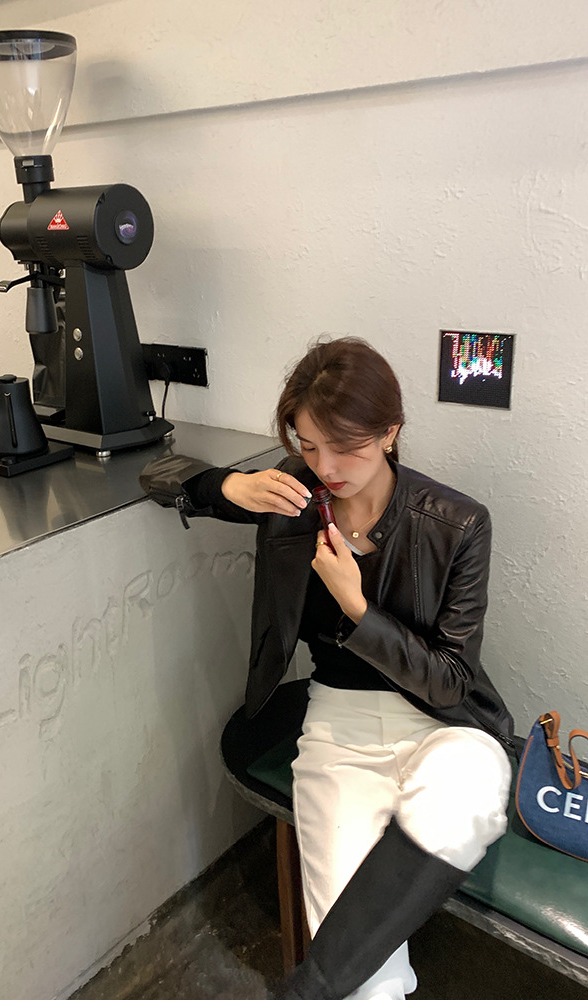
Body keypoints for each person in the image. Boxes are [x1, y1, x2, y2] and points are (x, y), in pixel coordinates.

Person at [140, 337, 514, 1000]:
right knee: (368, 981)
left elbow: (451, 679)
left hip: (444, 723)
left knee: (467, 792)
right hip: (339, 729)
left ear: (390, 432)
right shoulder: (295, 496)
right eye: (309, 446)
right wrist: (229, 485)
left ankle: (306, 988)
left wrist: (357, 609)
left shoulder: (457, 523)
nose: (327, 467)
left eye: (346, 447)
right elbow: (158, 476)